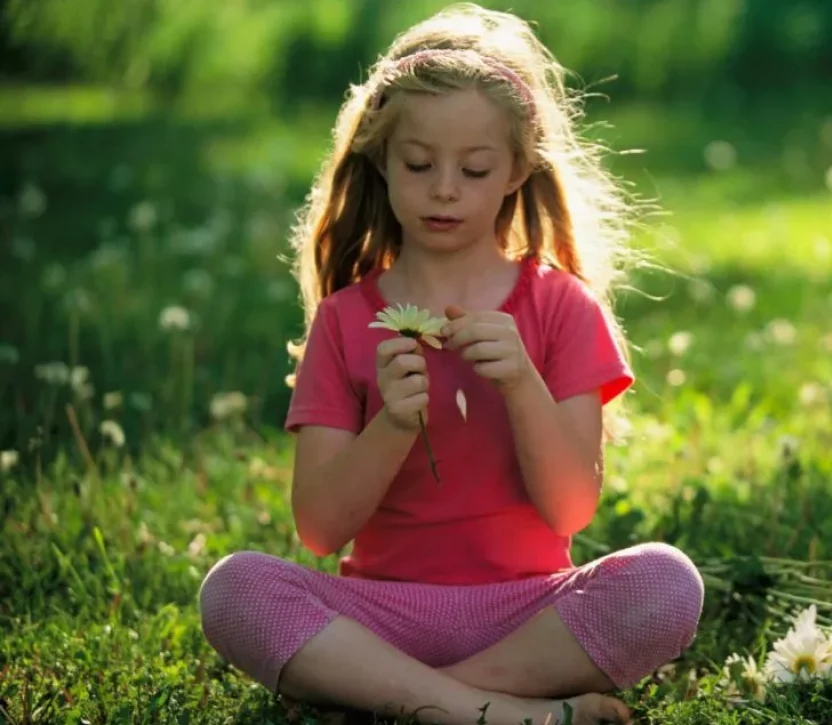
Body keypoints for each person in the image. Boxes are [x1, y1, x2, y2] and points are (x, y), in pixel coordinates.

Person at [197, 4, 704, 724]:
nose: (443, 189)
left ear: (518, 169)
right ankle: (506, 713)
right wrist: (394, 424)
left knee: (667, 582)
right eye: (418, 164)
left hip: (528, 611)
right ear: (380, 157)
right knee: (233, 587)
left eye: (473, 169)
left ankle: (404, 698)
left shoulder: (562, 308)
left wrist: (522, 383)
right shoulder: (346, 320)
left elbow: (570, 507)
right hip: (381, 610)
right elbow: (319, 526)